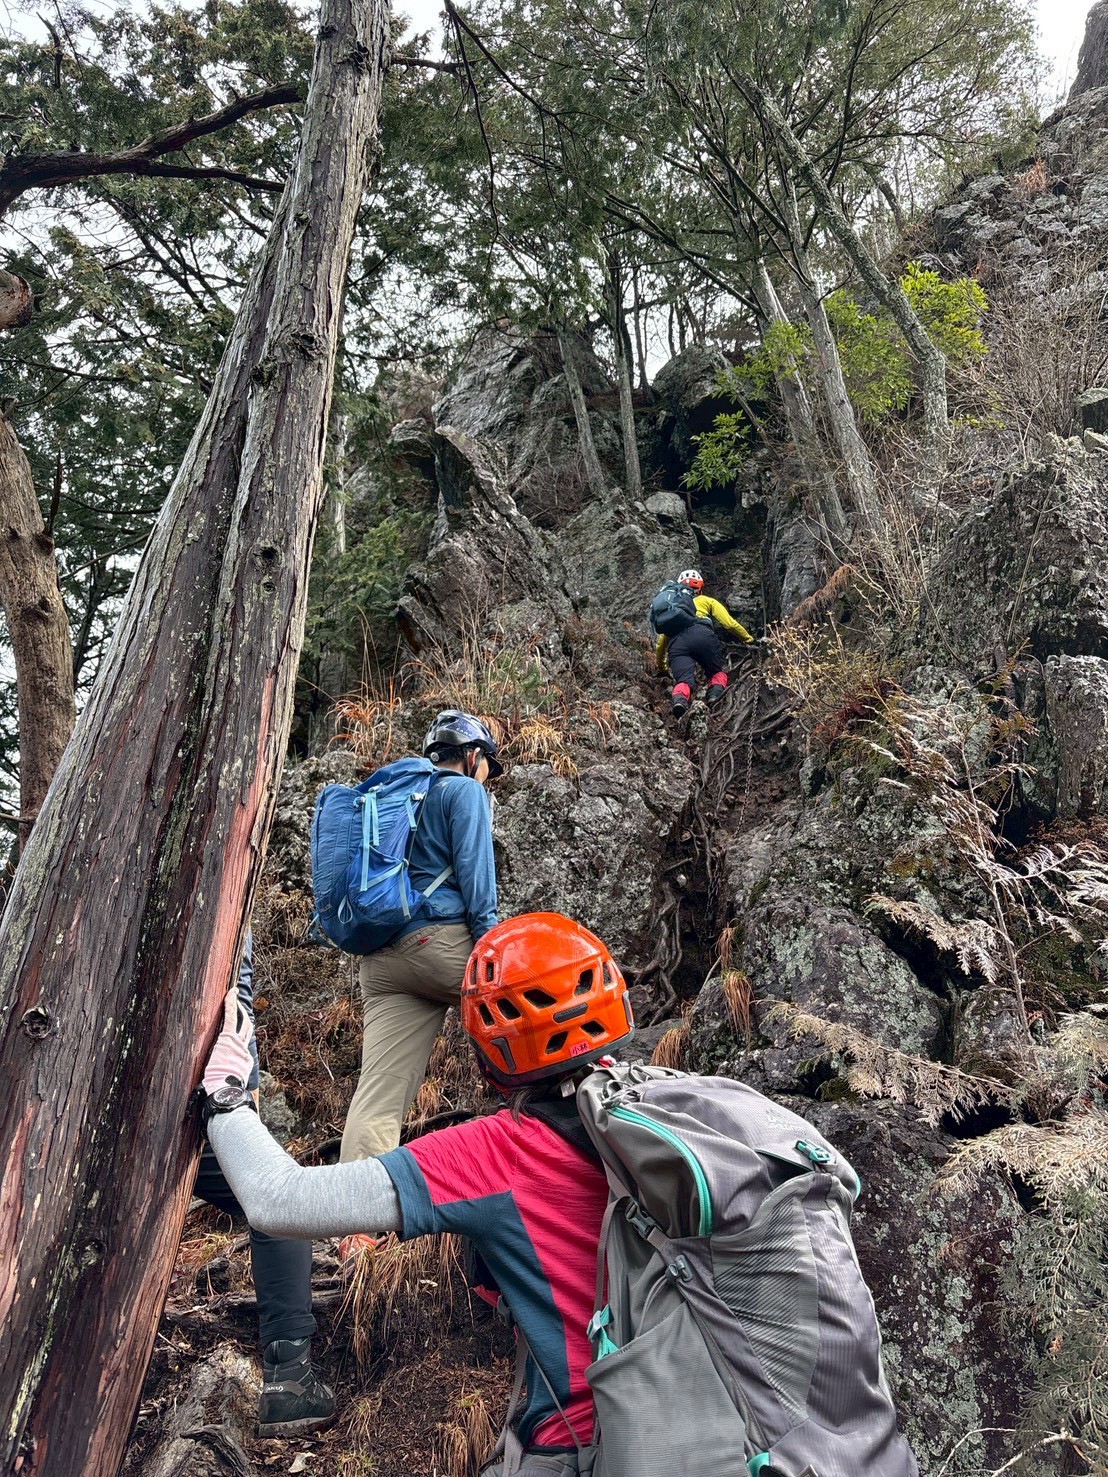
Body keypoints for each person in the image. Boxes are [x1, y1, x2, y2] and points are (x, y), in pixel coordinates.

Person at [201, 912, 919, 1477]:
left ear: (490, 1047)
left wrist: (227, 1095)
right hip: (725, 1434)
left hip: (577, 1447)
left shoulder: (497, 1152)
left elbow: (280, 1201)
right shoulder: (680, 1108)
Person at [338, 710, 501, 1176]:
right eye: (488, 765)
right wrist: (490, 950)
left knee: (379, 1094)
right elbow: (476, 874)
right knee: (536, 1011)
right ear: (473, 755)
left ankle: (354, 1210)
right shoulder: (464, 791)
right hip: (439, 944)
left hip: (382, 963)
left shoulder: (400, 799)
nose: (486, 775)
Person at [194, 932, 335, 1436]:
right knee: (279, 1201)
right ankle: (289, 1377)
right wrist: (241, 1089)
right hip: (192, 1106)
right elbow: (237, 989)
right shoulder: (220, 890)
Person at [655, 568, 753, 718]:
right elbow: (729, 624)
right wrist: (748, 639)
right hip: (702, 636)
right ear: (700, 587)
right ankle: (714, 696)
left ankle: (680, 701)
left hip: (677, 643)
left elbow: (661, 643)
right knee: (716, 671)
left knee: (683, 680)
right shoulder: (706, 600)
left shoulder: (672, 609)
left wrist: (662, 667)